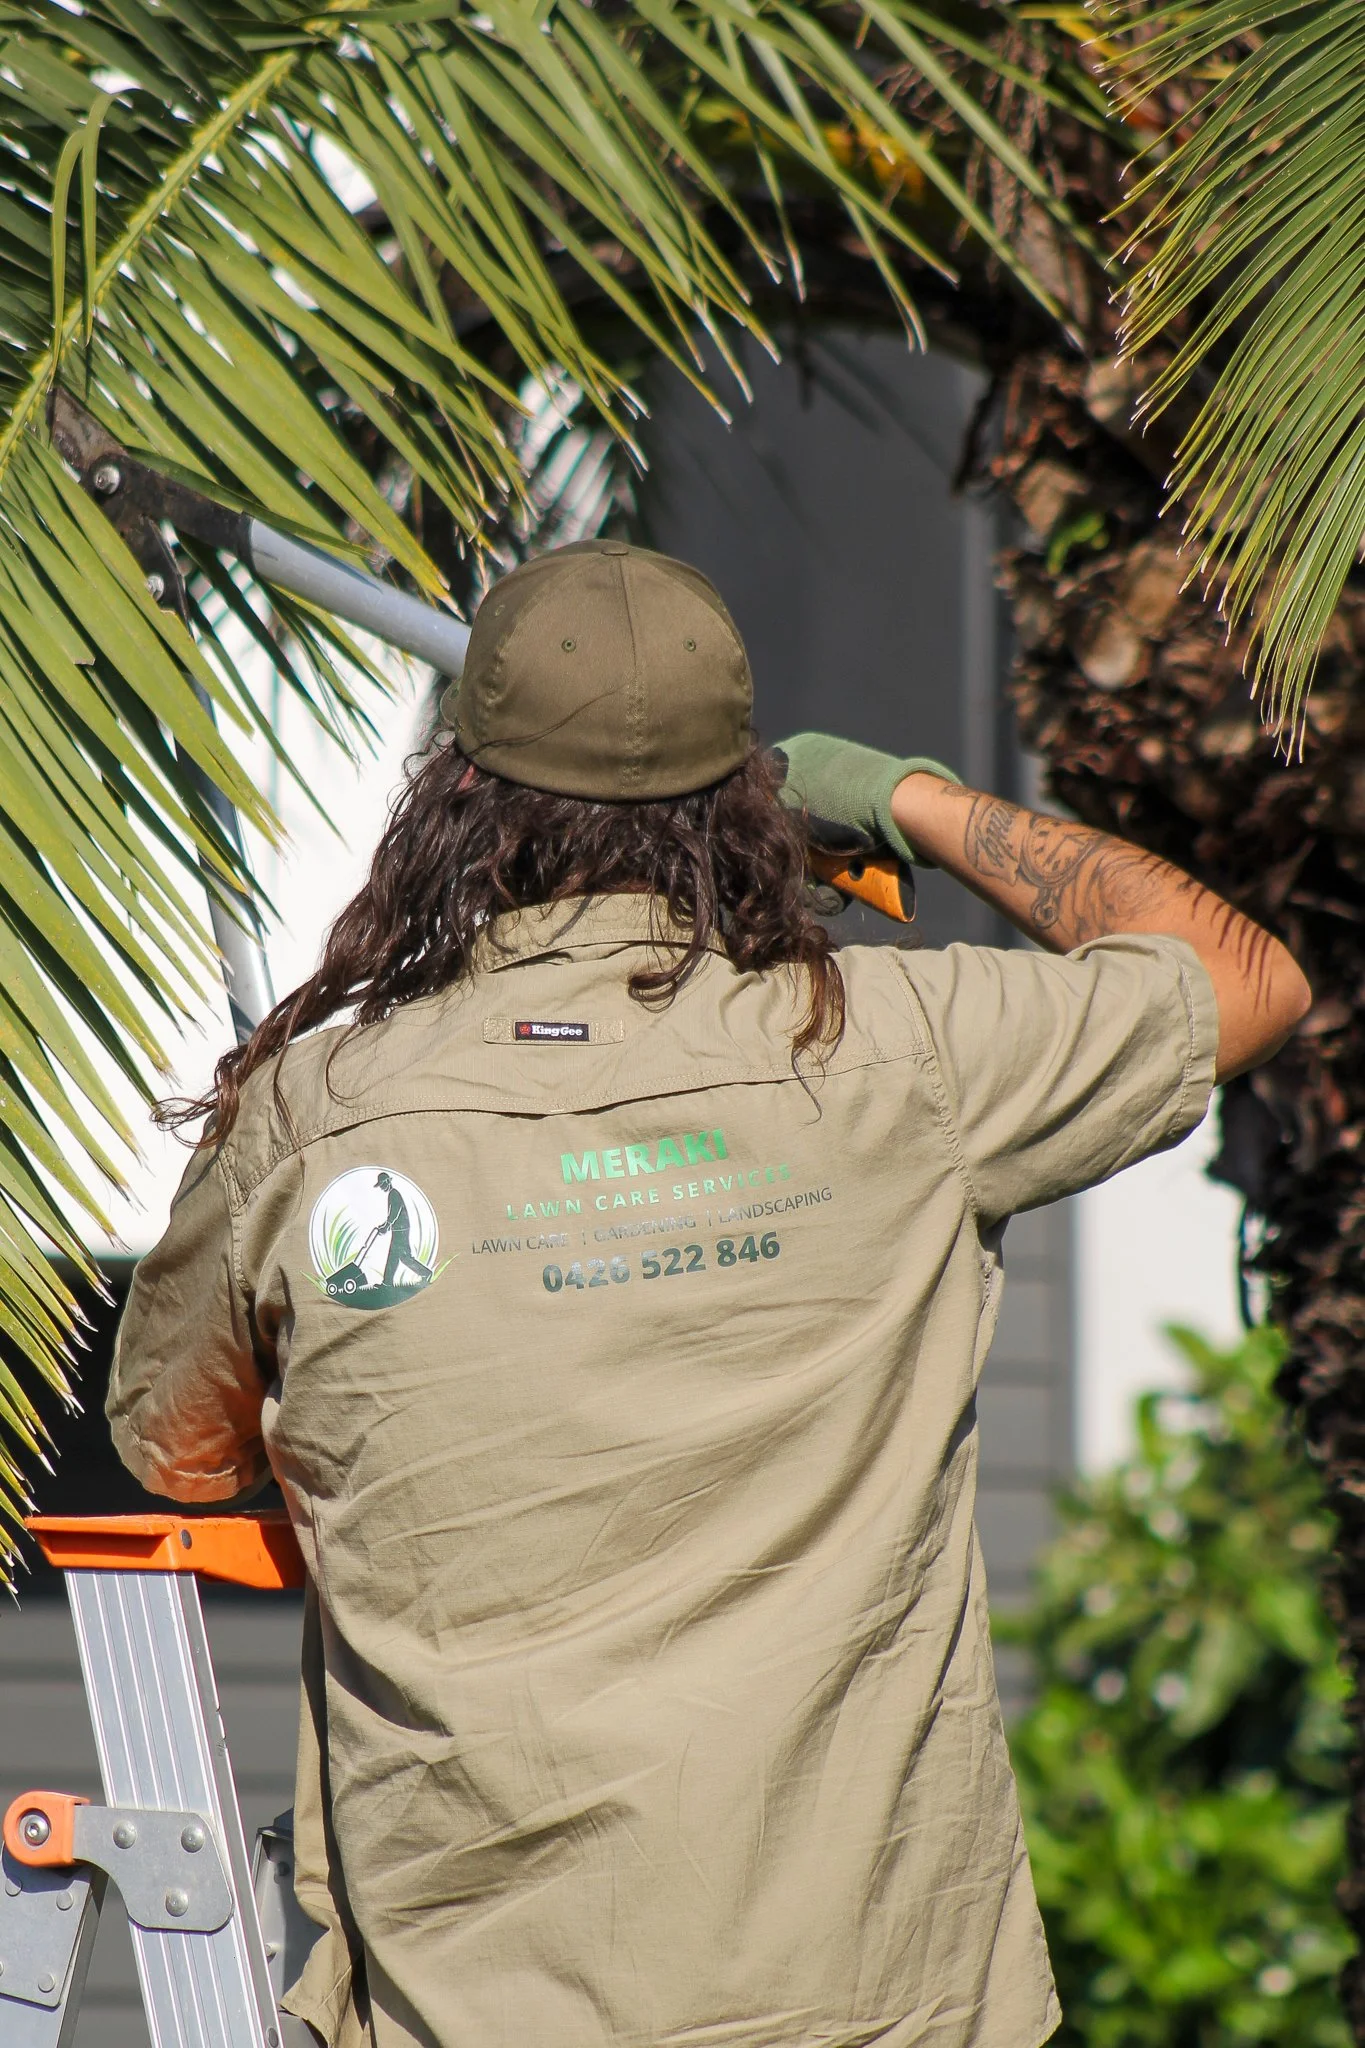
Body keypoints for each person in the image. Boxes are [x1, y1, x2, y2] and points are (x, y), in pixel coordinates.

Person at [106, 539, 1310, 2048]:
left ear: (455, 797)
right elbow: (1246, 975)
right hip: (889, 2010)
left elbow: (179, 1453)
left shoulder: (317, 1113)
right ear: (748, 802)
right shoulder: (893, 1051)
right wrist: (901, 797)